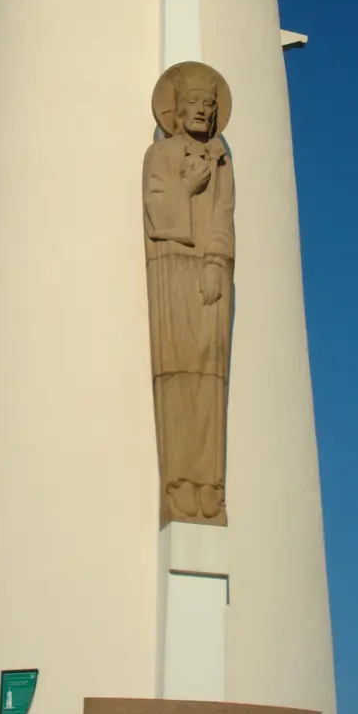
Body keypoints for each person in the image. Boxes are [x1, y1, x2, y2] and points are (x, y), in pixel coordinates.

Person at [143, 61, 234, 525]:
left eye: (210, 105)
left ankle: (209, 484)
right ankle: (180, 484)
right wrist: (186, 187)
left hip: (210, 274)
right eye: (194, 103)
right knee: (179, 375)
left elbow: (223, 218)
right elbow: (159, 213)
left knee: (208, 375)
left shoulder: (221, 159)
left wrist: (217, 263)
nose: (203, 111)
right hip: (171, 273)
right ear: (176, 112)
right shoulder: (160, 156)